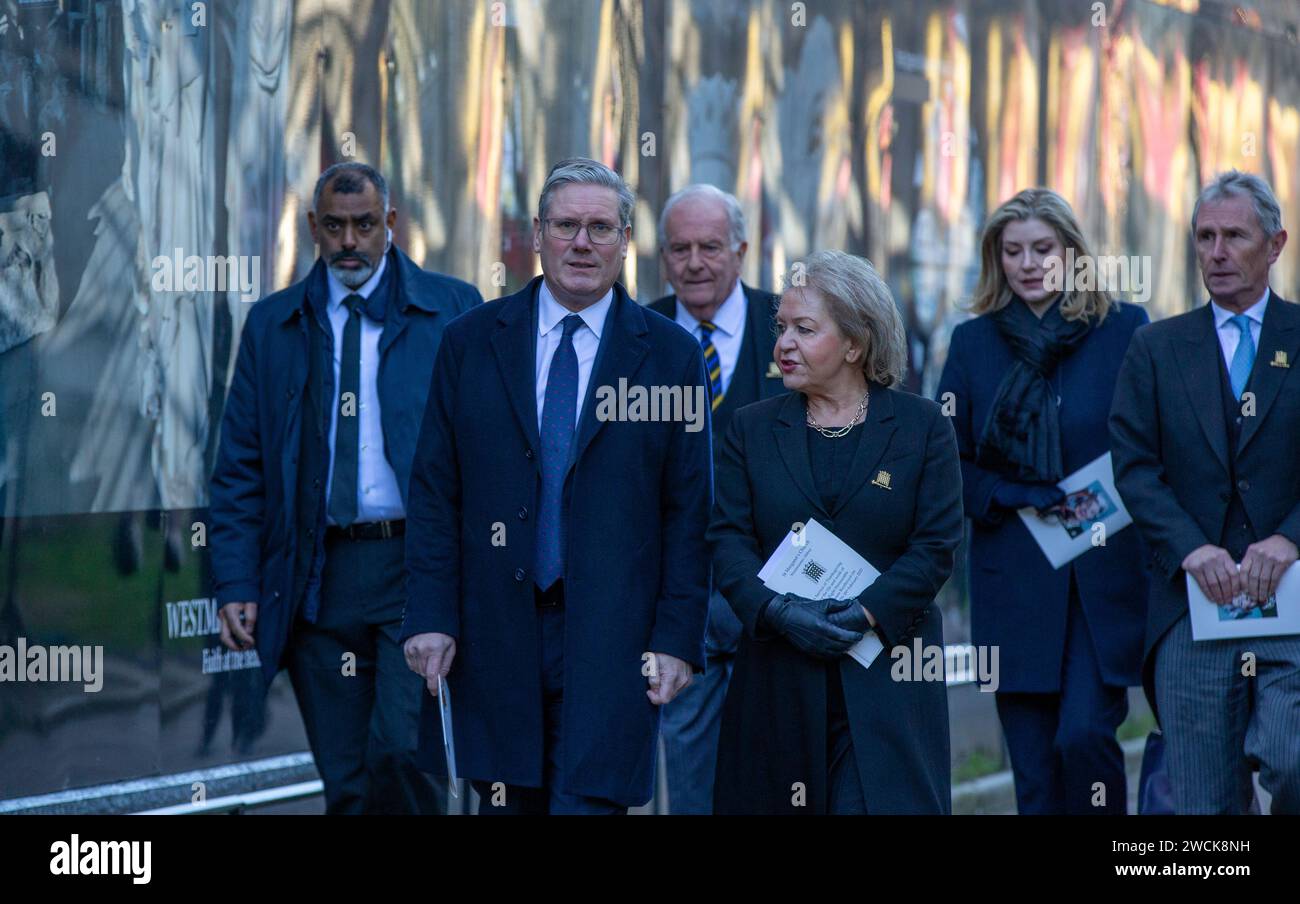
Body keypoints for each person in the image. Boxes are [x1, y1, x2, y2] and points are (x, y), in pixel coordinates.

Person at [401, 158, 713, 815]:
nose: (582, 243)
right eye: (566, 225)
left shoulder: (670, 355)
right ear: (537, 234)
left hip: (614, 642)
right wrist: (430, 616)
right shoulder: (471, 342)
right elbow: (435, 493)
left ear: (626, 241)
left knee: (587, 806)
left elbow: (689, 511)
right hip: (492, 635)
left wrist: (678, 637)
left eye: (601, 228)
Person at [209, 162, 482, 814]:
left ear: (391, 223)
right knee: (346, 778)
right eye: (335, 226)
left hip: (416, 568)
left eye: (365, 224)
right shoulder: (274, 325)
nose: (350, 241)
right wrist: (238, 582)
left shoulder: (453, 310)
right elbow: (241, 464)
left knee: (403, 754)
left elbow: (491, 449)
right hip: (315, 575)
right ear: (313, 228)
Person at [709, 249, 961, 814]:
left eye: (804, 329)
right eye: (780, 329)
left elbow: (936, 546)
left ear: (855, 344)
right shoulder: (750, 429)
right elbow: (727, 542)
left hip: (888, 680)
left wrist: (867, 612)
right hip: (779, 680)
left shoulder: (921, 425)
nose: (783, 345)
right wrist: (776, 612)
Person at [936, 188, 1149, 815]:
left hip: (1099, 577)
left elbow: (1152, 443)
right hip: (1013, 577)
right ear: (996, 259)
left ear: (1072, 252)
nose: (1028, 264)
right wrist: (1013, 493)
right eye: (1013, 251)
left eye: (1042, 249)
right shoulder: (972, 343)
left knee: (1083, 736)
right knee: (1032, 772)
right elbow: (950, 464)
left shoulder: (1123, 330)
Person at [1110, 170, 1300, 814]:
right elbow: (1133, 467)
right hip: (1190, 612)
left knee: (1293, 759)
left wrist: (1290, 538)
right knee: (1203, 807)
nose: (1216, 253)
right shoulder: (1156, 348)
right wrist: (1191, 549)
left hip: (1294, 612)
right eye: (1204, 237)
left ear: (1274, 245)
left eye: (1233, 237)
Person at [647, 184, 786, 814]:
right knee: (690, 777)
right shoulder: (634, 336)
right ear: (662, 255)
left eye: (710, 246)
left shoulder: (793, 327)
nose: (695, 262)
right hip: (676, 600)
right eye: (680, 248)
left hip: (778, 593)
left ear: (742, 250)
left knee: (777, 772)